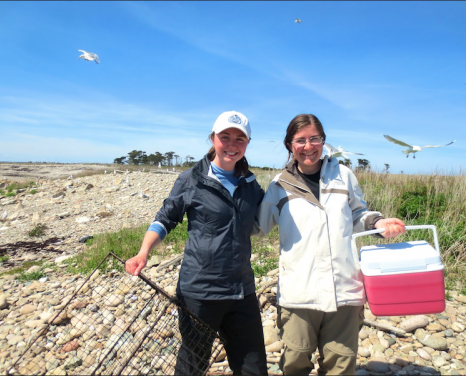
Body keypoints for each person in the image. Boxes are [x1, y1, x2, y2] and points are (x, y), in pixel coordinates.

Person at [256, 114, 406, 375]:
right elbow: (257, 226)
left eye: (314, 138)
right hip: (298, 294)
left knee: (340, 366)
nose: (308, 146)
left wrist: (378, 224)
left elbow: (358, 214)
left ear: (323, 142)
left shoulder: (343, 175)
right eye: (300, 140)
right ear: (290, 145)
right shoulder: (279, 185)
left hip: (344, 292)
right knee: (294, 364)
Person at [125, 111, 268, 375]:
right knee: (194, 363)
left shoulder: (250, 183)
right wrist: (143, 252)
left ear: (247, 143)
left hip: (241, 290)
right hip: (201, 292)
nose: (232, 145)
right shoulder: (191, 179)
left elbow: (272, 213)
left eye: (240, 139)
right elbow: (165, 219)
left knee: (254, 367)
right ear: (213, 138)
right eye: (225, 137)